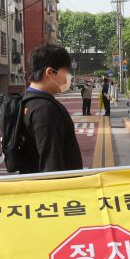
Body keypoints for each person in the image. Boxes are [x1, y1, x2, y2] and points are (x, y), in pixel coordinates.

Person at [18, 44, 83, 173]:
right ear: (50, 72)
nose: (67, 78)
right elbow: (51, 162)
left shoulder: (24, 100)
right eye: (65, 72)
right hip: (55, 188)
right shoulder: (45, 109)